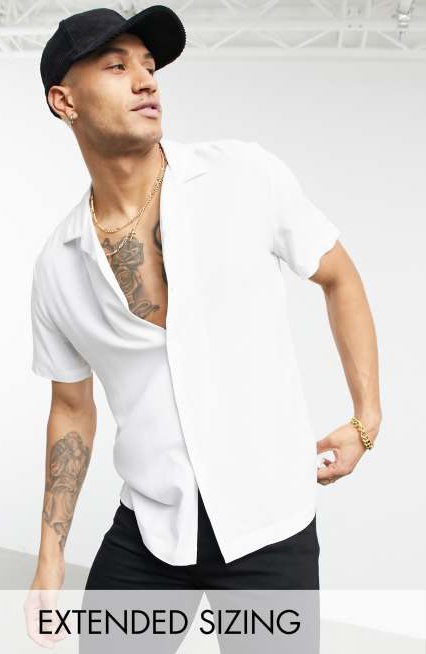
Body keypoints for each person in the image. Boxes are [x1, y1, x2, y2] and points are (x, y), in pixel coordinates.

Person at [24, 6, 382, 651]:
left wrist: (366, 420)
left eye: (149, 65)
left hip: (270, 530)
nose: (146, 81)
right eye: (116, 66)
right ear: (64, 101)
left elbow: (339, 277)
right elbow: (71, 409)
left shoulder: (243, 174)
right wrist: (50, 557)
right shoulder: (59, 263)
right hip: (150, 532)